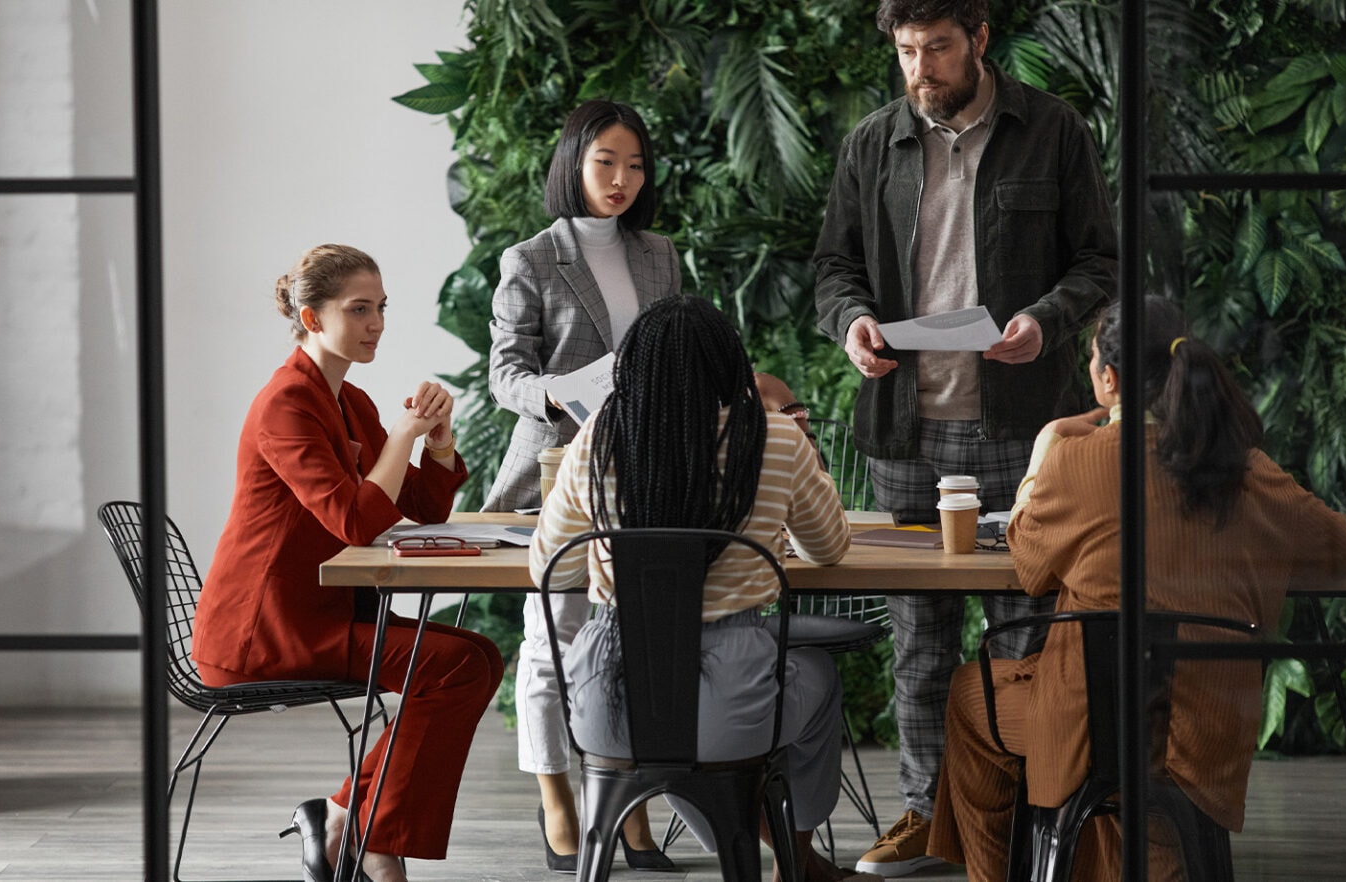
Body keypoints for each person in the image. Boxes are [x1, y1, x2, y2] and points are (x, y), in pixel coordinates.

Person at [810, 1, 1118, 874]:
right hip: (904, 434)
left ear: (979, 40)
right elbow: (834, 266)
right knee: (920, 640)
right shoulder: (874, 142)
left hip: (1021, 430)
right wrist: (855, 323)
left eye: (937, 48)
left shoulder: (1051, 129)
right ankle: (924, 815)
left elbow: (1099, 260)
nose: (920, 69)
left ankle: (1018, 819)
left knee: (1026, 635)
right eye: (907, 51)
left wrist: (1043, 323)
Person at [928, 295, 1346, 882]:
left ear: (1108, 378)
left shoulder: (1075, 462)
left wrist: (1046, 445)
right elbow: (1339, 548)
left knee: (969, 696)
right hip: (1205, 733)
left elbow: (1028, 567)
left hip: (1093, 730)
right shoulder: (1246, 469)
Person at [530, 296, 875, 882]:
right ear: (730, 366)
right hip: (731, 703)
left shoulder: (598, 438)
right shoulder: (776, 439)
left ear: (630, 368)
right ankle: (793, 854)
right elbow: (829, 548)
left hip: (607, 709)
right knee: (814, 677)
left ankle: (736, 833)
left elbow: (549, 569)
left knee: (680, 738)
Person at [191, 244, 505, 882]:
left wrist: (437, 444)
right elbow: (356, 520)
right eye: (359, 309)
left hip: (321, 611)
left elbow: (420, 504)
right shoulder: (286, 402)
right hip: (266, 629)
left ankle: (341, 815)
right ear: (311, 318)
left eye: (381, 307)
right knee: (455, 668)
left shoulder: (350, 400)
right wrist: (402, 438)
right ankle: (372, 837)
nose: (377, 323)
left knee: (476, 659)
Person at [483, 98, 682, 872]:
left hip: (643, 475)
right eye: (606, 161)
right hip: (558, 476)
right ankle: (558, 799)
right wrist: (565, 388)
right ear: (574, 163)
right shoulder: (530, 259)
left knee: (634, 645)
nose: (622, 179)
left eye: (636, 165)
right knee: (552, 647)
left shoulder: (659, 254)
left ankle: (626, 804)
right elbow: (506, 378)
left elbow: (673, 353)